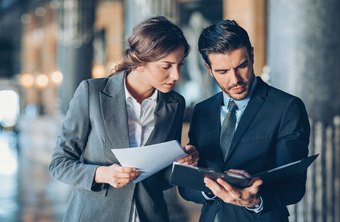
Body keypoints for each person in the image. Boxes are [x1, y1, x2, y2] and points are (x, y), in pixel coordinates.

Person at [49, 16, 198, 222]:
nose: (176, 75)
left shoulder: (174, 104)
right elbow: (59, 164)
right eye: (166, 66)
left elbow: (161, 180)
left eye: (179, 65)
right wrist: (102, 174)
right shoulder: (92, 93)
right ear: (140, 62)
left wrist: (181, 164)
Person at [179, 19, 310, 222]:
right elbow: (187, 189)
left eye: (242, 66)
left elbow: (294, 185)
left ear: (252, 55)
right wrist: (210, 189)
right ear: (208, 68)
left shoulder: (286, 107)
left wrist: (255, 201)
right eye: (223, 71)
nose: (236, 80)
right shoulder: (202, 111)